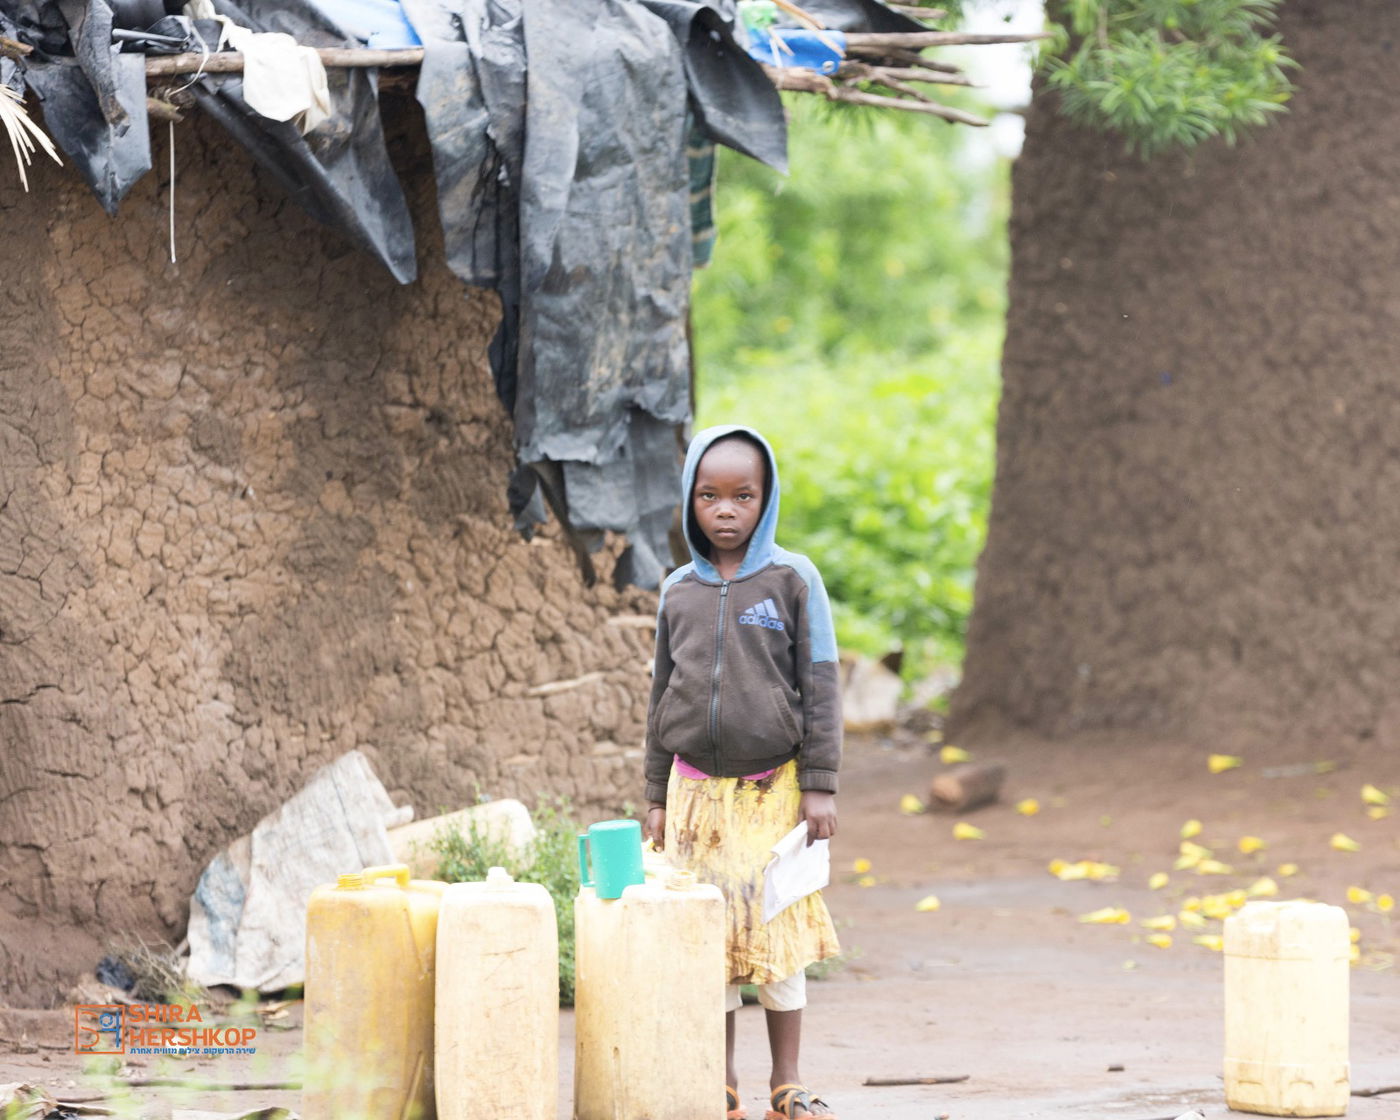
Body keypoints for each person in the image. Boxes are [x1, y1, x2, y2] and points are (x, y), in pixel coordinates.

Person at [643, 425, 842, 1120]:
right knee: (710, 943)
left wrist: (819, 782)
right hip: (693, 791)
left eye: (743, 496)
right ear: (691, 500)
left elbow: (819, 686)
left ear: (766, 500)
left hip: (774, 791)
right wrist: (655, 796)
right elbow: (661, 696)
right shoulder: (676, 591)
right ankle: (719, 1080)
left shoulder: (792, 580)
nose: (725, 510)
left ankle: (785, 1083)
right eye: (710, 495)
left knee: (776, 936)